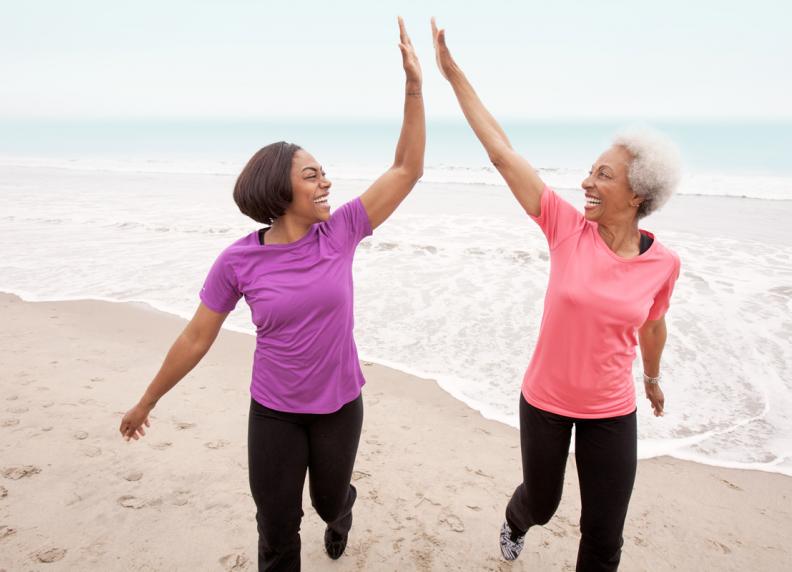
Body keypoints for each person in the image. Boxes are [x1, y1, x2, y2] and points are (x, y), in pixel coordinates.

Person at [119, 18, 424, 572]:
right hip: (275, 413)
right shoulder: (238, 260)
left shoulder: (343, 231)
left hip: (338, 406)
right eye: (312, 176)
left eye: (324, 172)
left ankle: (342, 512)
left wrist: (413, 88)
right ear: (281, 192)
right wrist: (147, 400)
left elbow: (407, 168)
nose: (326, 182)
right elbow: (195, 336)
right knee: (277, 531)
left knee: (329, 501)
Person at [431, 19, 681, 571]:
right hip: (545, 401)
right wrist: (453, 75)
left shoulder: (664, 263)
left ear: (637, 194)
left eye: (603, 176)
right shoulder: (566, 228)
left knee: (603, 536)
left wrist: (653, 379)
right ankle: (516, 520)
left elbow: (653, 325)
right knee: (542, 504)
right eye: (589, 172)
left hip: (612, 411)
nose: (586, 183)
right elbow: (502, 153)